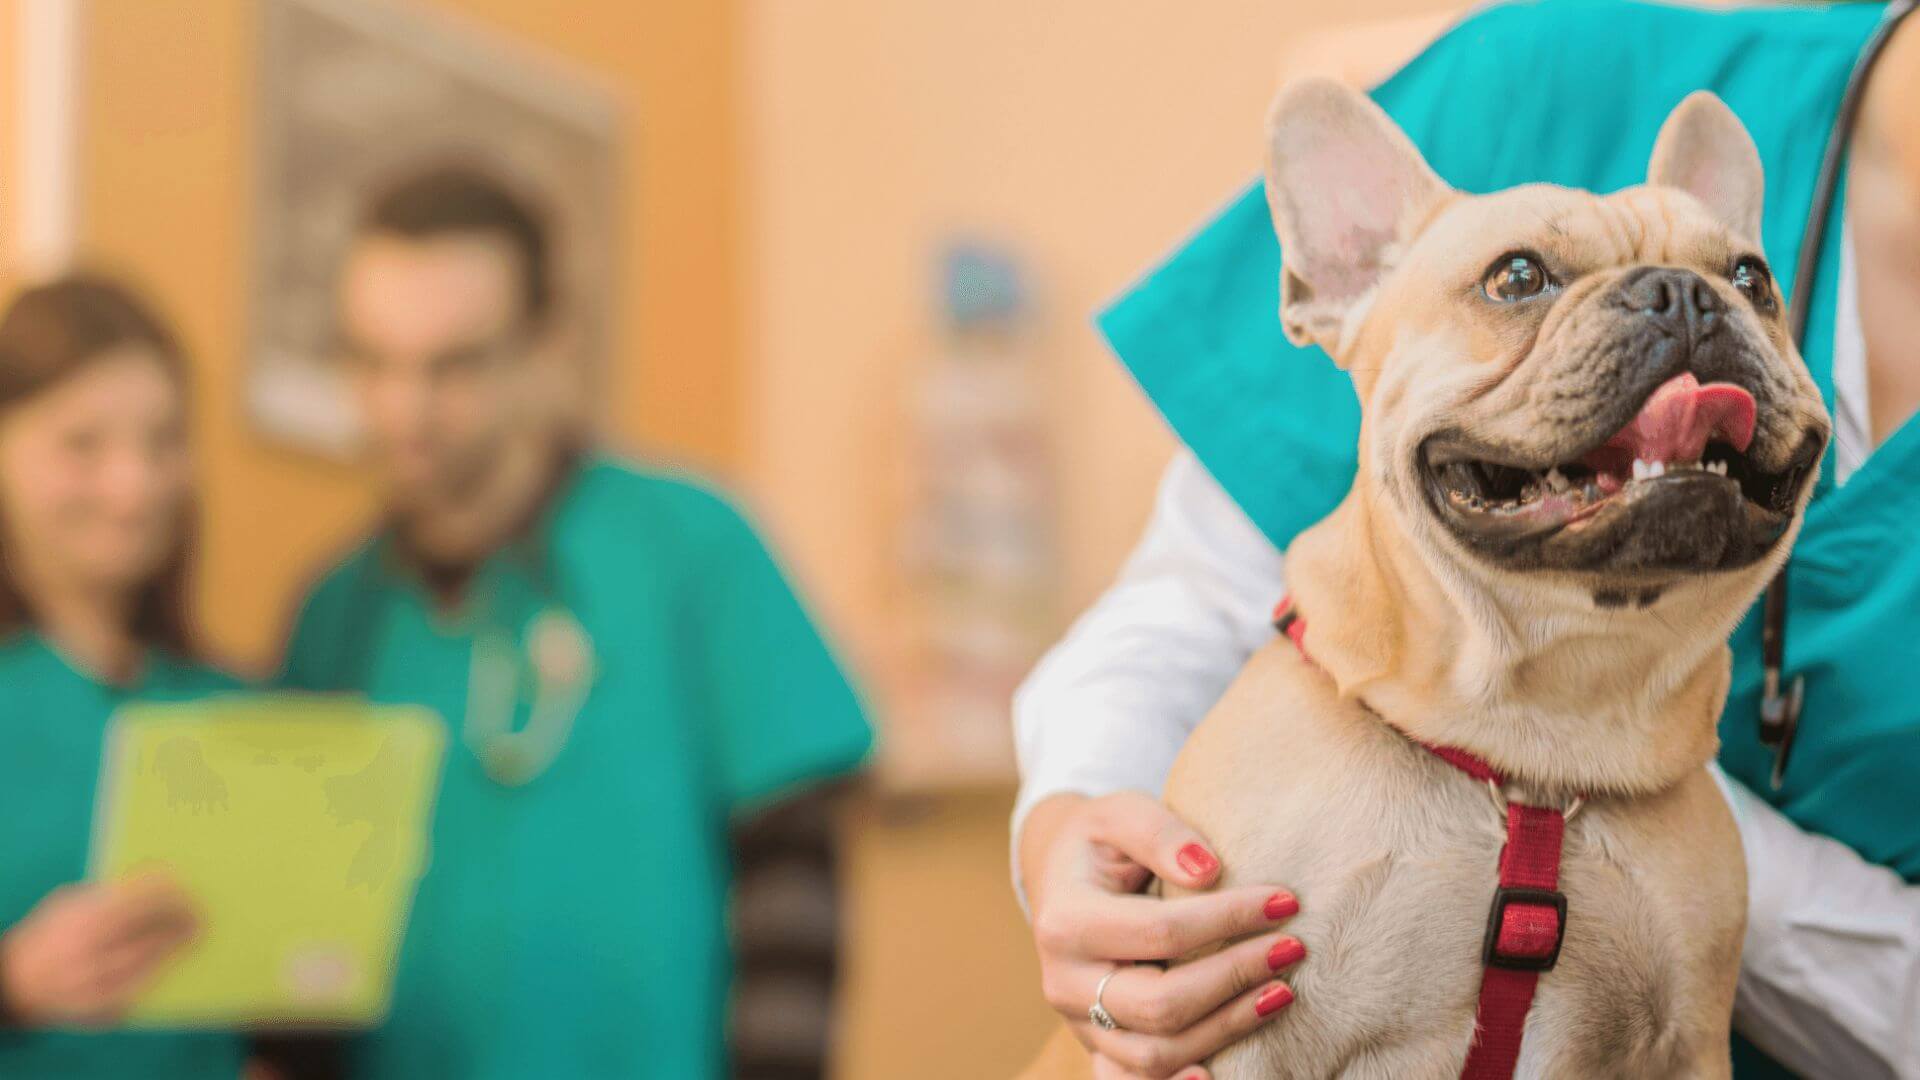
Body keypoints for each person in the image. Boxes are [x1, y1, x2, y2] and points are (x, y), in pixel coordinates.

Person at [1013, 2, 1920, 1078]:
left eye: (1745, 285)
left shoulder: (1705, 867)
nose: (1693, 313)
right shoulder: (1544, 75)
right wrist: (1076, 826)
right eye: (1522, 281)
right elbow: (1192, 598)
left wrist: (1655, 837)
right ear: (1338, 276)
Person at [276, 163, 873, 1079]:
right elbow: (302, 937)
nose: (406, 410)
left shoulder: (690, 546)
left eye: (454, 365)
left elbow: (792, 879)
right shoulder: (334, 614)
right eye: (374, 363)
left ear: (550, 346)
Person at [0, 277, 244, 1077]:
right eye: (82, 444)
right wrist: (13, 985)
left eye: (163, 441)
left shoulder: (241, 713)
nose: (132, 487)